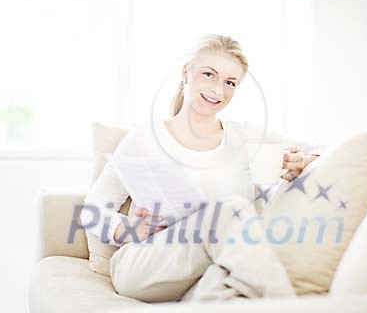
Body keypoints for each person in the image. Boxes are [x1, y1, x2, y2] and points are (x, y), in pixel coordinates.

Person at [82, 34, 325, 302]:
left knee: (222, 286)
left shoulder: (244, 137)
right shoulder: (144, 138)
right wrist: (128, 229)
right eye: (209, 74)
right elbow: (91, 211)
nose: (218, 90)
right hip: (147, 262)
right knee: (229, 210)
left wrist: (301, 163)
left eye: (230, 82)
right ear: (186, 72)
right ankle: (289, 306)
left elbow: (324, 150)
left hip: (211, 269)